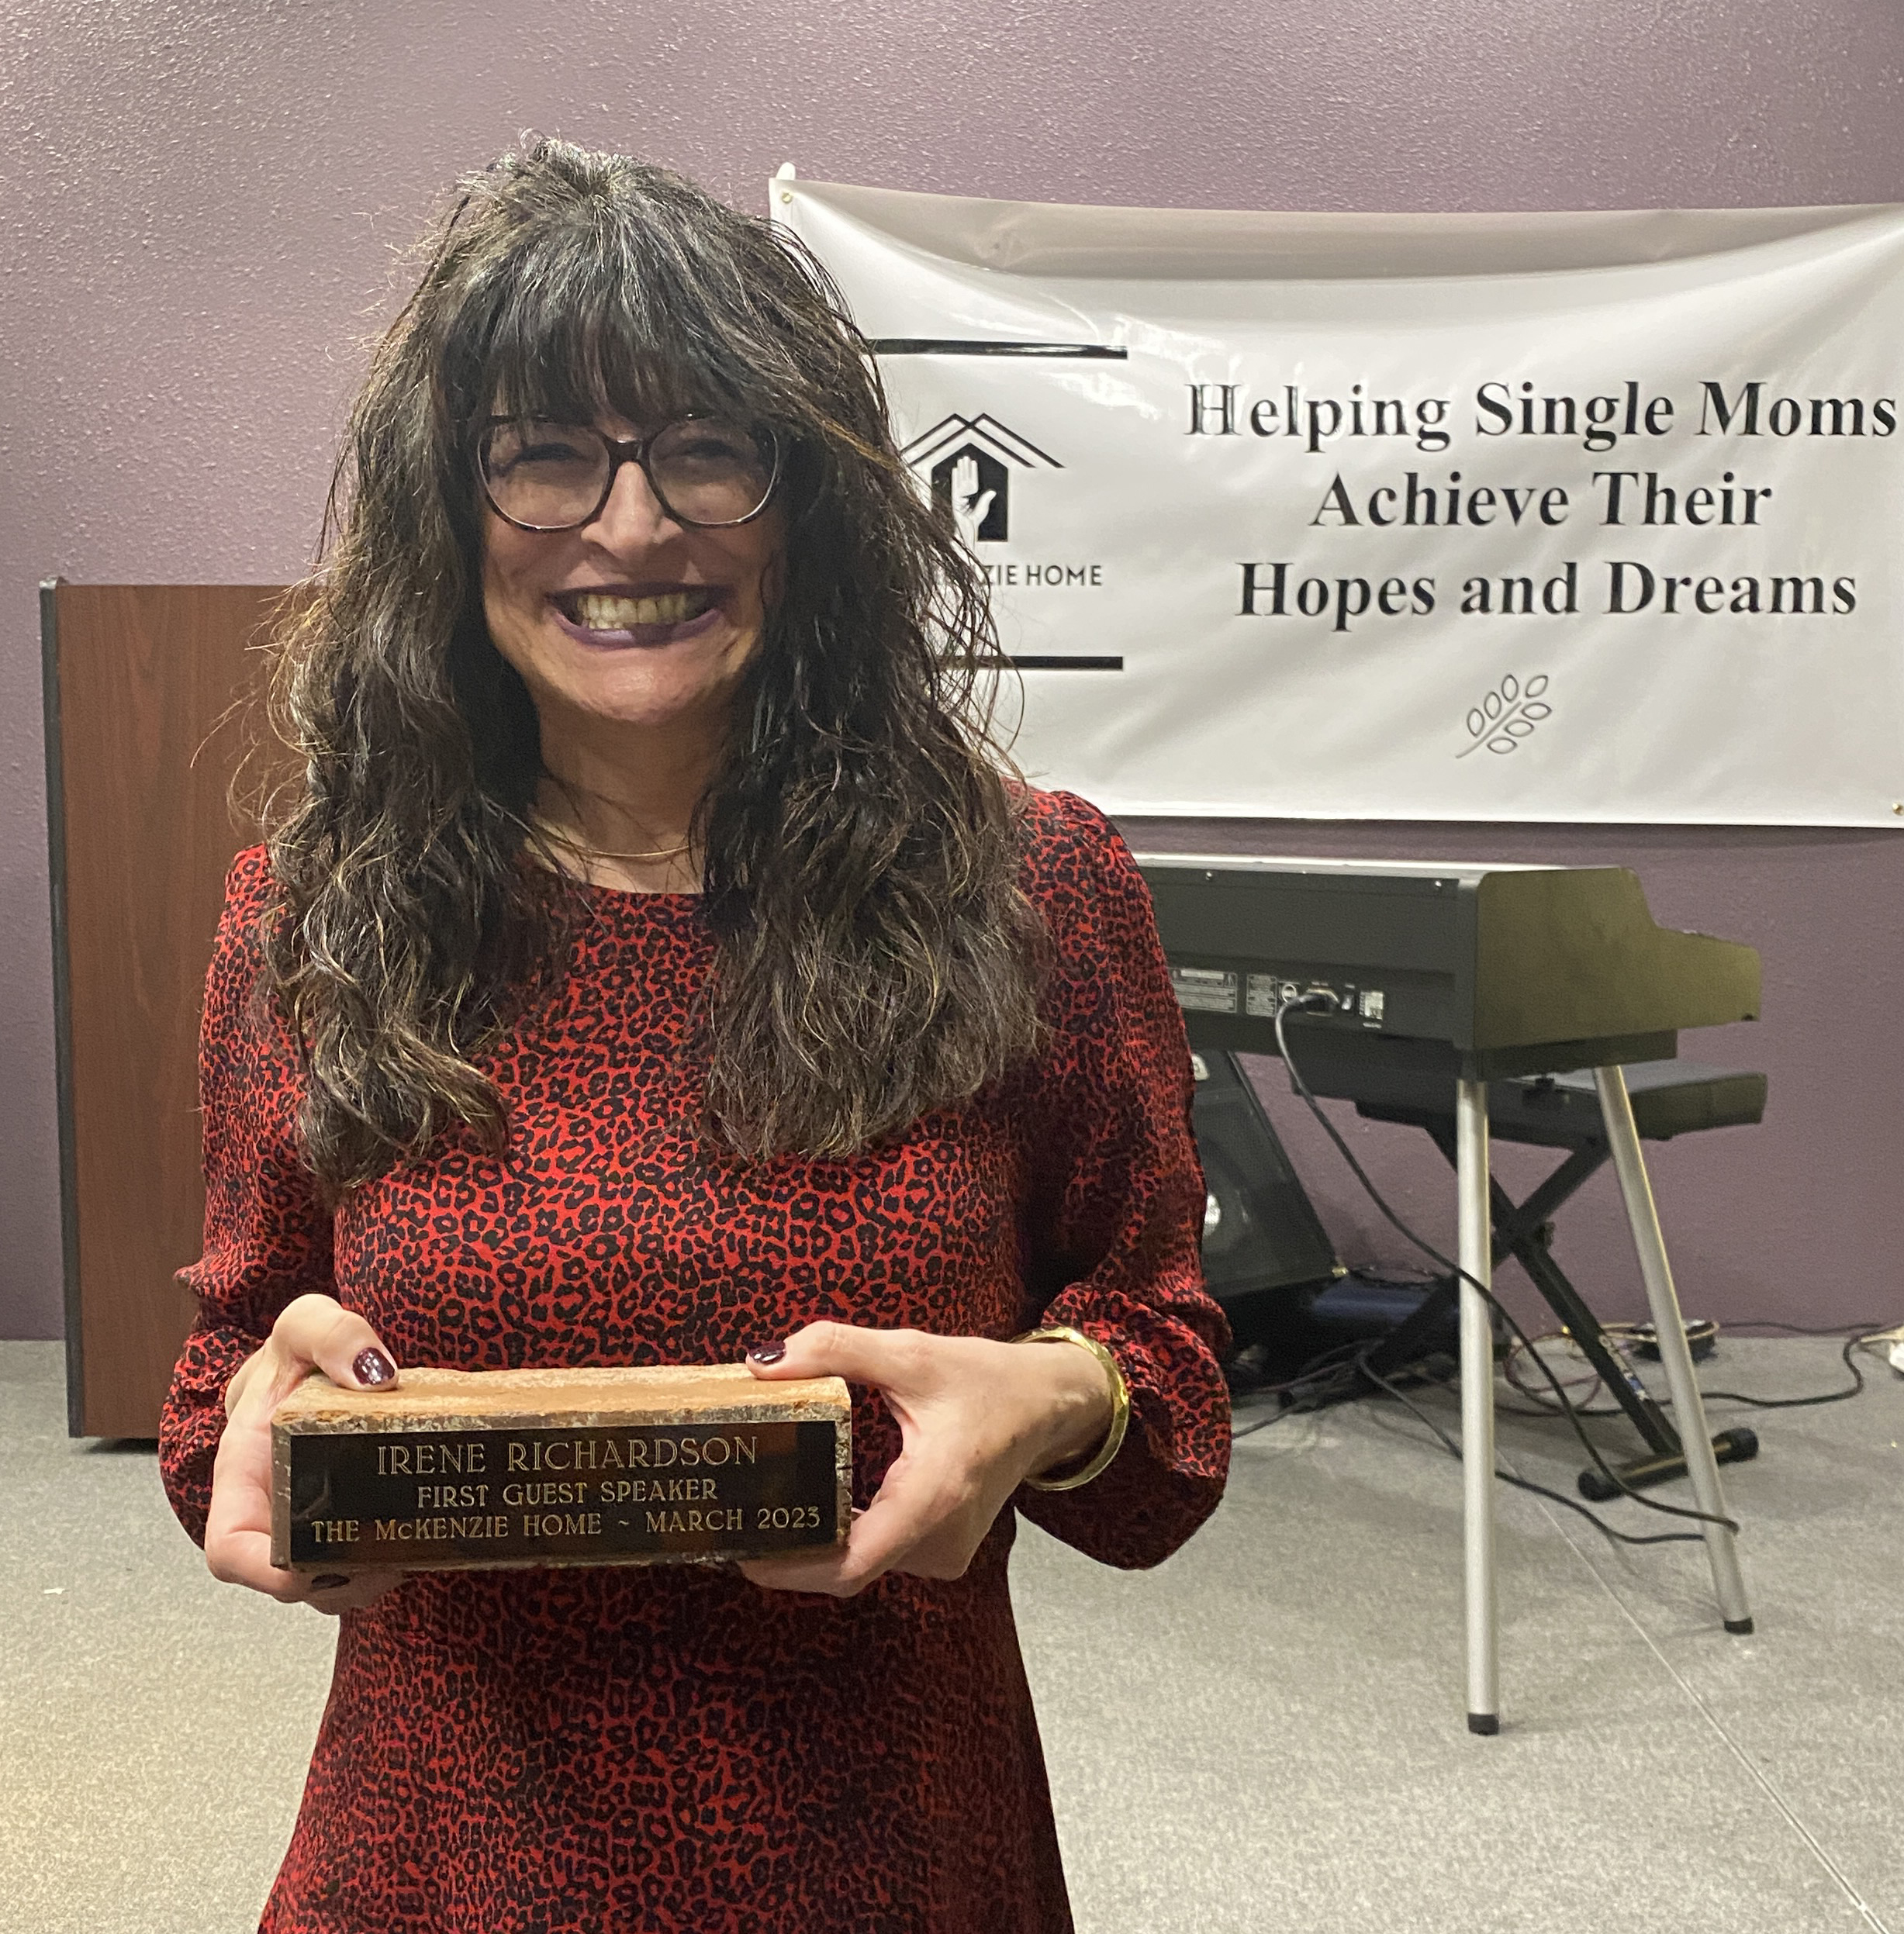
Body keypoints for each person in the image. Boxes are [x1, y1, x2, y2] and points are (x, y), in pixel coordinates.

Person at [159, 138, 1230, 1934]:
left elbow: (1171, 1405)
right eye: (546, 454)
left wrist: (1060, 1389)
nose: (632, 525)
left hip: (887, 1857)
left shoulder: (1030, 889)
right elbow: (223, 1373)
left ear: (804, 503)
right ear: (449, 507)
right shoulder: (310, 916)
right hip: (446, 1866)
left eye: (703, 450)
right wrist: (253, 1437)